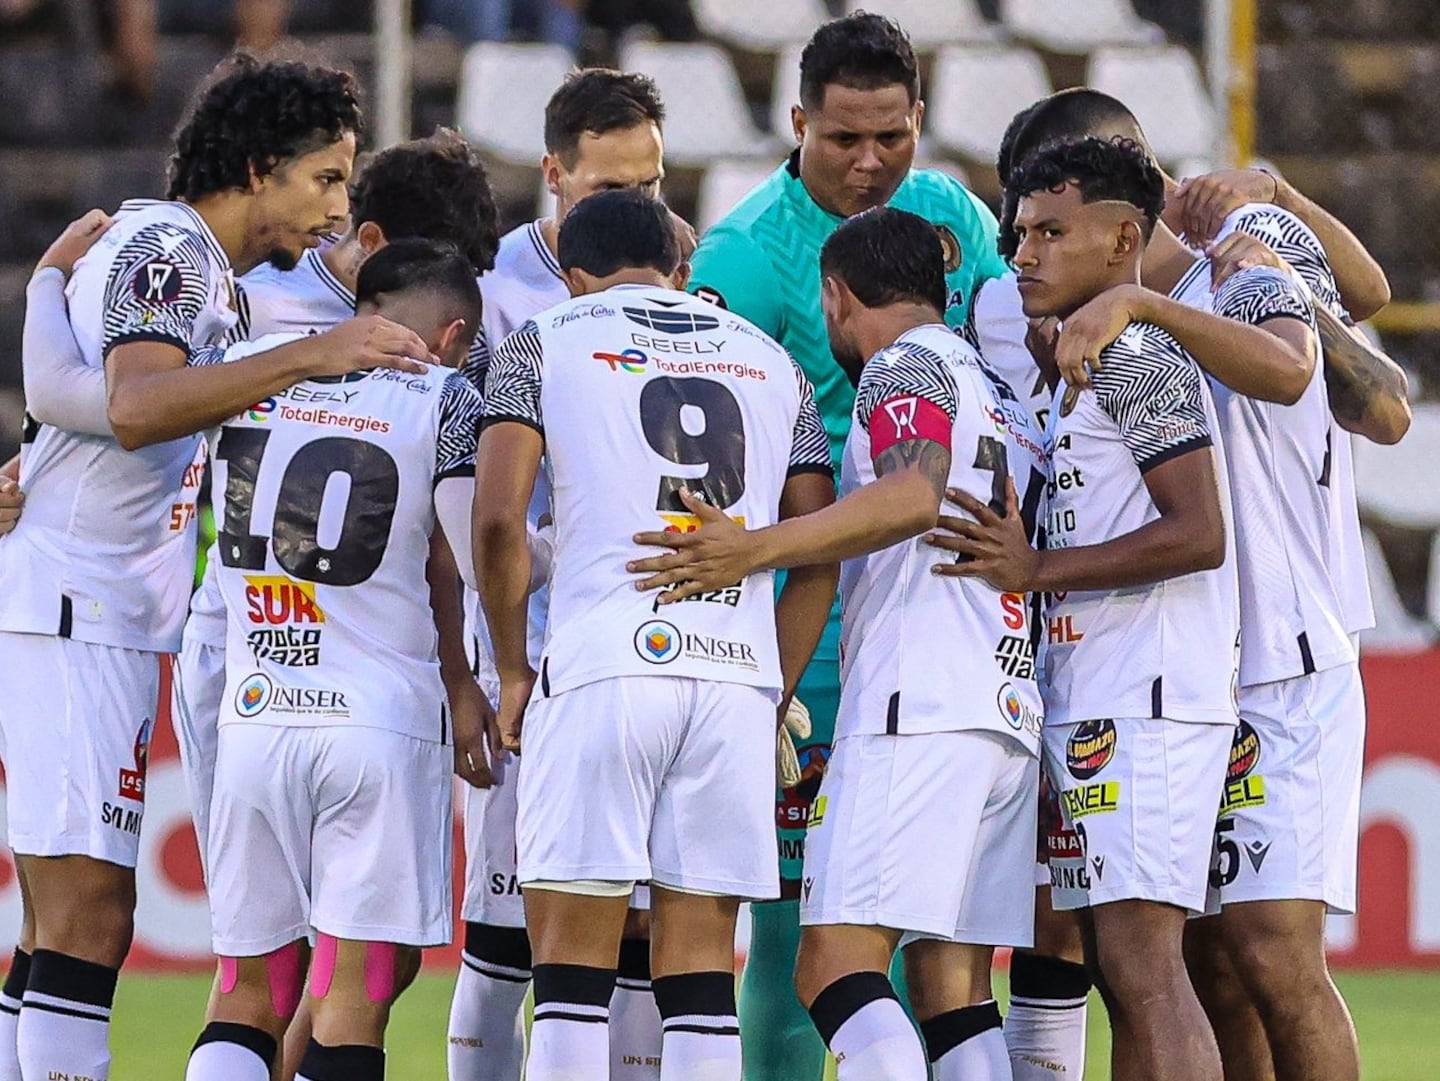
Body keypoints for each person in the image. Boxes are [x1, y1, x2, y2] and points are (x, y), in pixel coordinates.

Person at [974, 88, 1406, 1081]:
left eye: (1045, 222)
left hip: (1287, 650)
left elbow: (1373, 399)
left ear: (1124, 201)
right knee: (1200, 963)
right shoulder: (1091, 323)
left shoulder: (1245, 263)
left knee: (1271, 953)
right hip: (1195, 655)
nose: (1024, 245)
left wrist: (1271, 204)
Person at [0, 56, 418, 1081]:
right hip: (74, 605)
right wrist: (311, 354)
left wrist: (47, 290)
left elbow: (79, 401)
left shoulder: (205, 274)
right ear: (259, 166)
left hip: (95, 604)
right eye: (325, 176)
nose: (338, 206)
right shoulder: (170, 250)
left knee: (62, 921)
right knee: (90, 918)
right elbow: (140, 403)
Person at [628, 206, 1049, 1081]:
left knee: (831, 964)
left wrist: (753, 548)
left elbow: (911, 496)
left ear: (836, 295)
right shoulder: (996, 390)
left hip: (919, 705)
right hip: (1005, 704)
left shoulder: (903, 364)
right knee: (952, 988)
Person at [684, 15, 1008, 1076]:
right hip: (808, 625)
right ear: (797, 124)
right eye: (844, 140)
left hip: (936, 619)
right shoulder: (742, 252)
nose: (871, 163)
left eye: (891, 137)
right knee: (793, 927)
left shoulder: (953, 216)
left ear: (920, 119)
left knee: (925, 951)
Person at [472, 189, 837, 1081]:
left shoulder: (542, 341)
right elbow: (818, 547)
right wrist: (774, 689)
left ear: (572, 276)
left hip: (603, 663)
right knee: (703, 973)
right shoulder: (772, 361)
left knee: (570, 970)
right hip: (733, 679)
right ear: (680, 268)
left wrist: (513, 667)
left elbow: (498, 521)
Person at [946, 136, 1240, 1081]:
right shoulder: (1088, 357)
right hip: (1104, 692)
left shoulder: (1138, 354)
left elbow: (1200, 530)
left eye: (1051, 232)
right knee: (1124, 968)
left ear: (1122, 240)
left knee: (1148, 968)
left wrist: (1036, 567)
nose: (1023, 253)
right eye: (1020, 232)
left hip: (1148, 695)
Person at [181, 240, 485, 1081]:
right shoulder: (445, 395)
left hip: (255, 720)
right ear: (454, 334)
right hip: (377, 725)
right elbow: (476, 549)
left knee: (248, 991)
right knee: (356, 995)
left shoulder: (245, 370)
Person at [449, 67, 671, 1081]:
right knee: (506, 934)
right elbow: (469, 486)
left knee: (641, 937)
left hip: (645, 649)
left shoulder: (679, 274)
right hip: (529, 643)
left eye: (652, 182)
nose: (639, 205)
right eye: (612, 186)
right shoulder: (494, 290)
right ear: (553, 172)